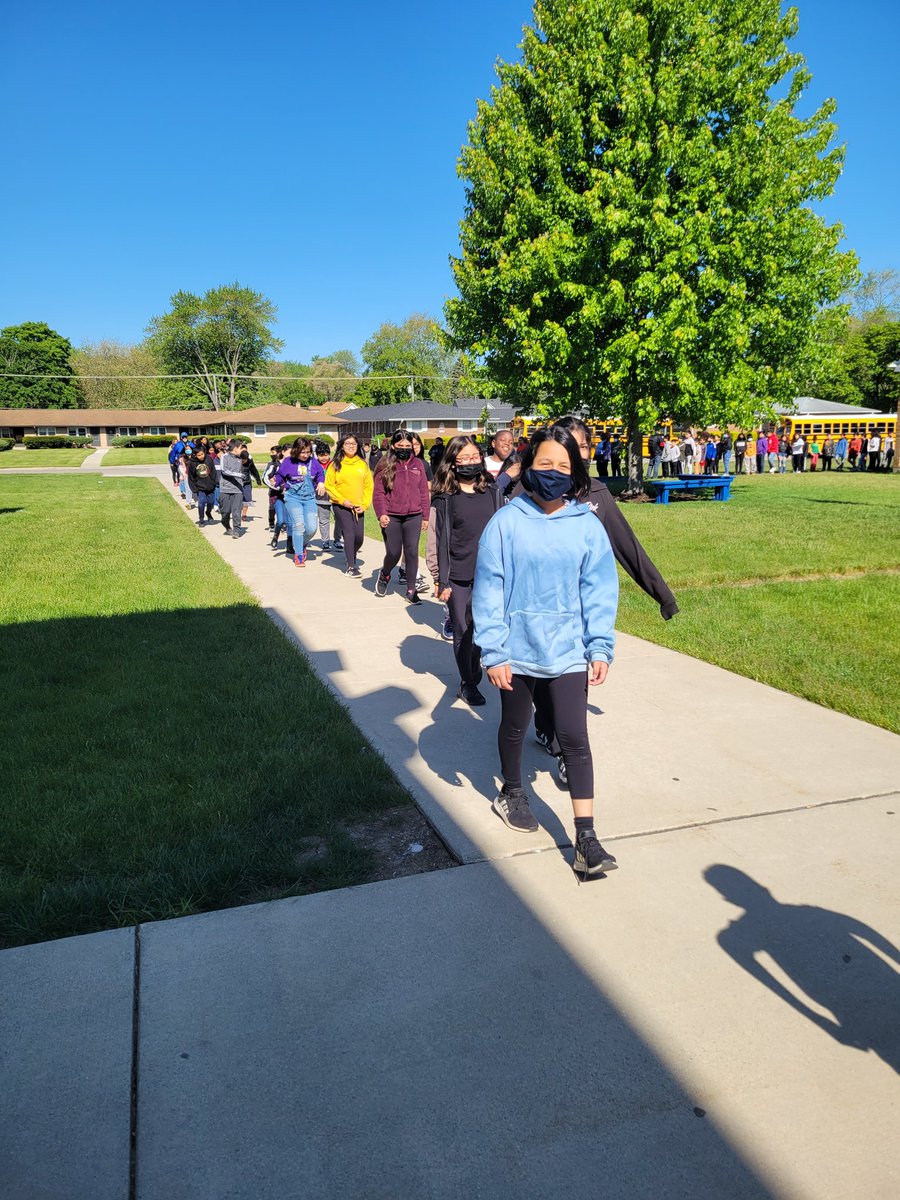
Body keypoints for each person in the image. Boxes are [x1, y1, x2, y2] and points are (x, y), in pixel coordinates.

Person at [473, 426, 619, 878]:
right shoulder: (506, 522)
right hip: (516, 650)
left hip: (569, 650)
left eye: (563, 466)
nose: (554, 473)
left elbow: (599, 590)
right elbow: (489, 590)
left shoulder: (587, 525)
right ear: (527, 466)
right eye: (544, 464)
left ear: (575, 471)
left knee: (575, 737)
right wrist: (494, 652)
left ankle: (587, 837)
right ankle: (511, 791)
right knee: (516, 725)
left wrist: (600, 646)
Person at [426, 436, 503, 706]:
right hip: (457, 574)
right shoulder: (445, 498)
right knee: (462, 629)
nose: (471, 463)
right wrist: (438, 577)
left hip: (490, 574)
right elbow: (435, 538)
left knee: (481, 628)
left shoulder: (492, 492)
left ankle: (474, 664)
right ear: (453, 463)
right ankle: (468, 682)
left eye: (475, 458)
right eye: (464, 459)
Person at [373, 430, 431, 604]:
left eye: (408, 446)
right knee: (394, 552)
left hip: (414, 515)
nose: (405, 449)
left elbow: (423, 491)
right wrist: (382, 513)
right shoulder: (385, 465)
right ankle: (385, 574)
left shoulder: (418, 464)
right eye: (401, 446)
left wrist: (425, 516)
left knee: (412, 552)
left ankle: (411, 590)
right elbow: (379, 493)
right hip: (392, 516)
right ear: (393, 446)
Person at [325, 433, 373, 577]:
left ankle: (350, 555)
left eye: (354, 443)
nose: (351, 446)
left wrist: (364, 505)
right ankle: (351, 566)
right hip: (341, 505)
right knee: (349, 534)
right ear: (342, 446)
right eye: (347, 443)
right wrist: (341, 500)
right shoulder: (335, 464)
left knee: (359, 537)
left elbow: (368, 487)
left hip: (358, 506)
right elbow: (329, 486)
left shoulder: (362, 464)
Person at [276, 437, 326, 567]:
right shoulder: (288, 462)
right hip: (293, 498)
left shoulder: (313, 462)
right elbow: (280, 476)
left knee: (311, 528)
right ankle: (298, 555)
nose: (305, 455)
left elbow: (321, 473)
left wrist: (321, 482)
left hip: (309, 498)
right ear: (296, 451)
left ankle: (301, 543)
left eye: (308, 452)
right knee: (299, 525)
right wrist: (275, 482)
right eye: (302, 452)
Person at [218, 440, 246, 537]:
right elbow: (224, 471)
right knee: (225, 512)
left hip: (238, 489)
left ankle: (237, 530)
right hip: (225, 488)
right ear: (235, 448)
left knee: (236, 511)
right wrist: (239, 475)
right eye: (240, 448)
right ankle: (227, 526)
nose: (242, 449)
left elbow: (249, 465)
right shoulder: (224, 457)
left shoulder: (241, 458)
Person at [313, 442, 337, 549]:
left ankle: (337, 540)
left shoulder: (335, 464)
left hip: (335, 498)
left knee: (340, 519)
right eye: (321, 455)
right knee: (324, 520)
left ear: (329, 454)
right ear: (317, 455)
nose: (323, 458)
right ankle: (325, 541)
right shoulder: (313, 465)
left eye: (326, 455)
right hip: (320, 498)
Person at [187, 445, 217, 524]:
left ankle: (208, 513)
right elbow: (191, 476)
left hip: (210, 485)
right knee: (201, 503)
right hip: (199, 487)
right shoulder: (192, 463)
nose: (201, 456)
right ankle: (201, 519)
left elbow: (213, 471)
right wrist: (194, 488)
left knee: (211, 502)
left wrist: (213, 482)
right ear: (195, 455)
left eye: (202, 454)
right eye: (198, 455)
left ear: (204, 453)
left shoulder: (209, 459)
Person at [262, 445, 284, 531]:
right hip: (273, 490)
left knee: (283, 508)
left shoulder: (285, 463)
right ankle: (271, 523)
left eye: (273, 452)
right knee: (272, 508)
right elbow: (265, 476)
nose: (271, 454)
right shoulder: (270, 464)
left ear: (279, 453)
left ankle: (283, 524)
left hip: (284, 490)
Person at [238, 444, 261, 524]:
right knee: (238, 500)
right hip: (238, 483)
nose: (244, 461)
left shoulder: (249, 462)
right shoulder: (236, 461)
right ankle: (237, 513)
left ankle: (244, 514)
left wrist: (258, 481)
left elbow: (254, 471)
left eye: (245, 460)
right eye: (243, 460)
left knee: (247, 499)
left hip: (247, 483)